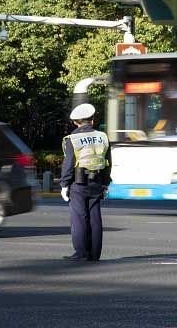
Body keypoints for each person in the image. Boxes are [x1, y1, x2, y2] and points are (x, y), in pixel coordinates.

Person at [60, 103, 112, 262]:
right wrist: (105, 183)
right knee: (95, 218)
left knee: (79, 218)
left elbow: (69, 164)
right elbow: (108, 162)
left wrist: (64, 185)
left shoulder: (72, 139)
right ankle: (94, 254)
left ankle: (81, 253)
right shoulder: (102, 137)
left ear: (76, 122)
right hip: (97, 182)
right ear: (92, 120)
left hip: (78, 183)